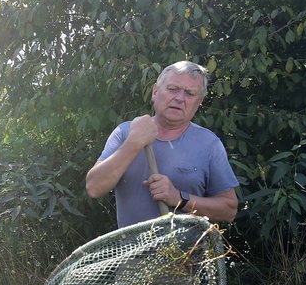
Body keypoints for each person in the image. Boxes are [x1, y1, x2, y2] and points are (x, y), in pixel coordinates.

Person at [86, 60, 239, 228]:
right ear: (155, 92)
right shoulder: (125, 133)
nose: (180, 98)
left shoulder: (209, 144)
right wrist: (133, 143)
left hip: (188, 254)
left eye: (190, 93)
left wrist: (179, 198)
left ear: (199, 102)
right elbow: (94, 187)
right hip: (133, 253)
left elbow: (229, 210)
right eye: (172, 89)